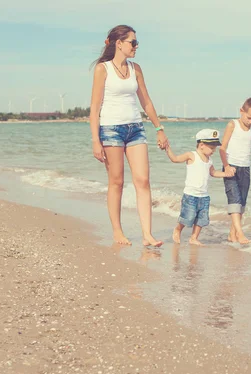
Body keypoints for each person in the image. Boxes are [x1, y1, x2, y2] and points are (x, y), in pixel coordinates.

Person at [89, 25, 167, 247]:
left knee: (143, 180)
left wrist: (159, 128)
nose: (136, 46)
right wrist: (96, 140)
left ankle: (147, 235)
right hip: (111, 130)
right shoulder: (102, 69)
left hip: (136, 129)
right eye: (133, 42)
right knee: (117, 182)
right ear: (118, 43)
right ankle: (118, 231)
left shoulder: (136, 69)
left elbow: (146, 102)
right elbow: (95, 107)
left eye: (136, 42)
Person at [165, 129, 234, 245]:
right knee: (188, 216)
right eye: (212, 148)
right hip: (191, 195)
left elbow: (213, 173)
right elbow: (175, 159)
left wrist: (226, 174)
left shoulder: (209, 160)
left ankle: (194, 238)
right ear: (201, 145)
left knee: (202, 219)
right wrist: (167, 148)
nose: (214, 151)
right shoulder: (192, 155)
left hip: (204, 196)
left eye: (215, 148)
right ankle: (178, 229)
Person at [219, 97, 251, 244]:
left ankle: (232, 235)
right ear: (241, 111)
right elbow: (222, 148)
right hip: (231, 168)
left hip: (245, 169)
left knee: (241, 204)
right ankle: (240, 234)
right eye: (249, 118)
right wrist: (226, 166)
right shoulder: (232, 125)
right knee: (234, 199)